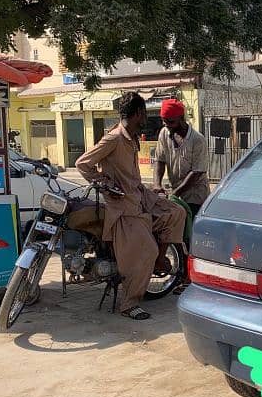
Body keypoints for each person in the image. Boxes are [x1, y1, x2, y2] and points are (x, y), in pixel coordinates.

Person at [75, 91, 186, 321]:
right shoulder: (114, 138)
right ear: (138, 113)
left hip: (141, 195)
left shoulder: (133, 137)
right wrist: (105, 184)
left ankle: (160, 258)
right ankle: (129, 304)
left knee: (177, 212)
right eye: (144, 113)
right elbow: (83, 163)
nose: (145, 117)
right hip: (124, 206)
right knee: (147, 251)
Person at [153, 98, 210, 219]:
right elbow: (160, 160)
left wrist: (175, 194)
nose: (167, 125)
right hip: (176, 192)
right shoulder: (164, 133)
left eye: (170, 121)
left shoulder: (197, 140)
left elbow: (197, 172)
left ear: (181, 119)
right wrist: (157, 184)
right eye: (164, 122)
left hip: (195, 197)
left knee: (189, 230)